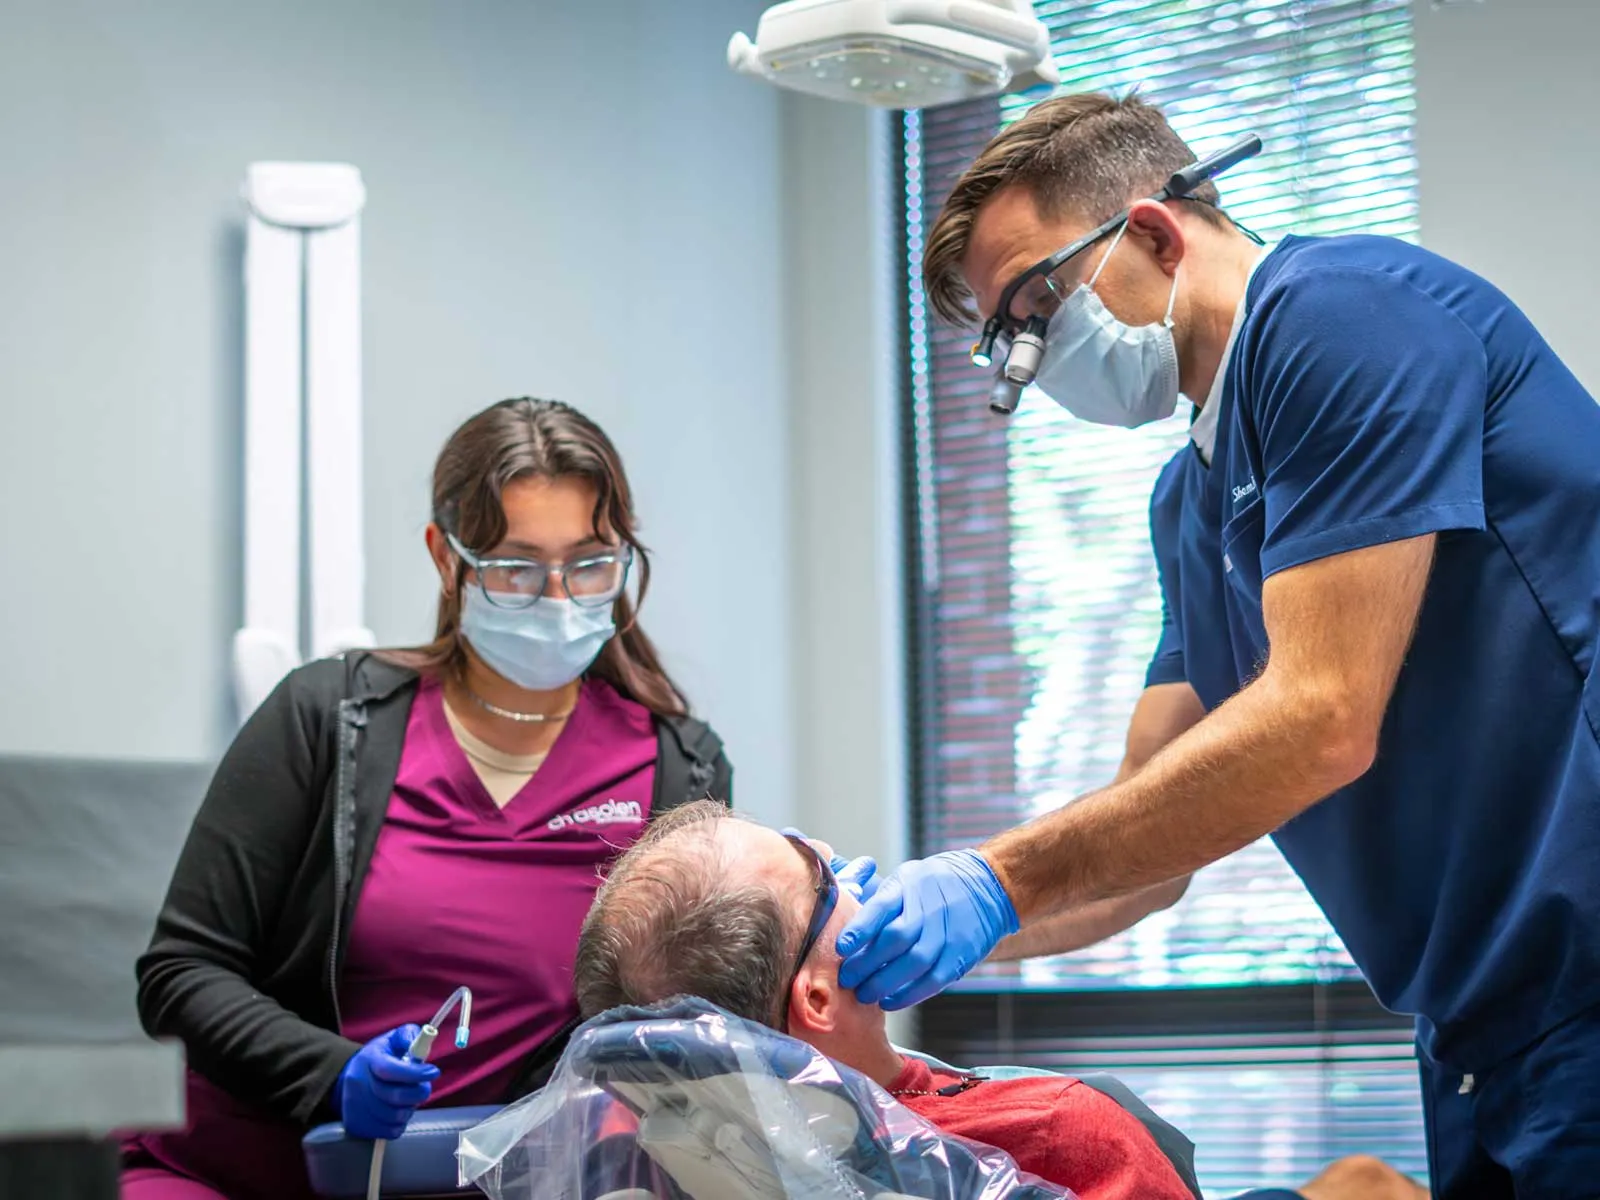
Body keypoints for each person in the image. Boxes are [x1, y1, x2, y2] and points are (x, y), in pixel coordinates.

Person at [826, 92, 1600, 1198]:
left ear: (1150, 232)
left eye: (1035, 304)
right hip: (1483, 1025)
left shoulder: (1342, 316)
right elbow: (1150, 846)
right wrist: (892, 935)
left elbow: (1321, 718)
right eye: (1006, 336)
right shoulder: (1188, 505)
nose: (1030, 358)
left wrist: (991, 881)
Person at [122, 398, 732, 1200]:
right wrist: (333, 1077)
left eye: (589, 563)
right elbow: (180, 973)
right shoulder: (329, 721)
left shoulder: (676, 770)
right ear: (446, 558)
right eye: (516, 567)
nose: (558, 598)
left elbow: (681, 1031)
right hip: (251, 1169)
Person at [572, 801, 1426, 1200]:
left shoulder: (656, 1150)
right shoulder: (1052, 1134)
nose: (843, 856)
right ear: (819, 995)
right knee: (1375, 1186)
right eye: (820, 870)